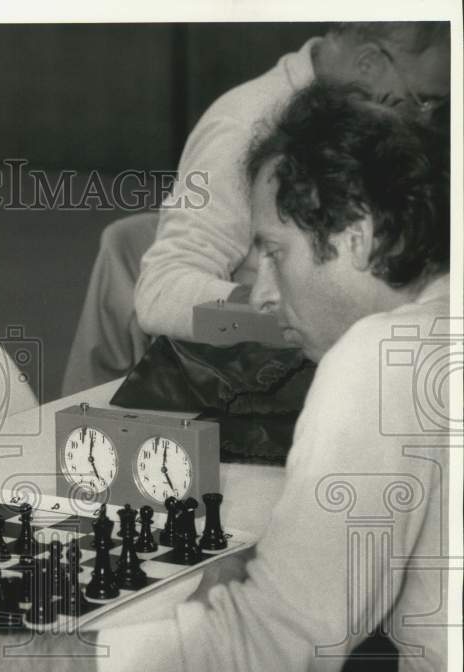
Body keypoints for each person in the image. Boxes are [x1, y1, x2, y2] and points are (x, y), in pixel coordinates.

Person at [0, 81, 451, 672]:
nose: (259, 294)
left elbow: (269, 651)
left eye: (275, 253)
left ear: (355, 237)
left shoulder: (380, 360)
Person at [61, 22, 450, 395]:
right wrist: (286, 307)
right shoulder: (247, 127)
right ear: (368, 63)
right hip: (269, 365)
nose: (427, 117)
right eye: (425, 99)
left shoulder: (358, 116)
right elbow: (162, 293)